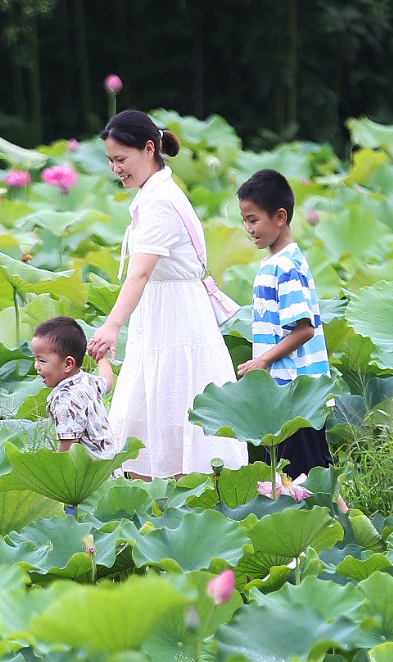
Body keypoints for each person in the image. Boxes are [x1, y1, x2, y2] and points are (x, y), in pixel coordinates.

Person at [87, 109, 248, 480]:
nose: (116, 169)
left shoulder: (159, 202)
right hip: (165, 316)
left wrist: (111, 326)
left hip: (175, 321)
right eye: (111, 161)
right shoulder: (157, 192)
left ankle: (179, 511)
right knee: (154, 413)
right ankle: (153, 512)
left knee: (173, 410)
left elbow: (140, 273)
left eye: (121, 159)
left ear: (148, 149)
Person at [236, 168, 333, 478]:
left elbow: (304, 329)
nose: (248, 228)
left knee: (306, 476)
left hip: (296, 392)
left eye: (253, 220)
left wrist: (262, 360)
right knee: (300, 474)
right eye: (245, 221)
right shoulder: (276, 262)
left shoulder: (285, 267)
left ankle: (346, 525)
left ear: (280, 217)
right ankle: (344, 524)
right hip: (286, 393)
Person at [31, 316, 117, 459]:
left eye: (42, 360)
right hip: (110, 465)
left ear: (68, 364)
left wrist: (55, 470)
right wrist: (102, 357)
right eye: (35, 359)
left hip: (90, 472)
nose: (36, 366)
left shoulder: (66, 398)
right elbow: (107, 382)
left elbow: (69, 444)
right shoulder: (86, 380)